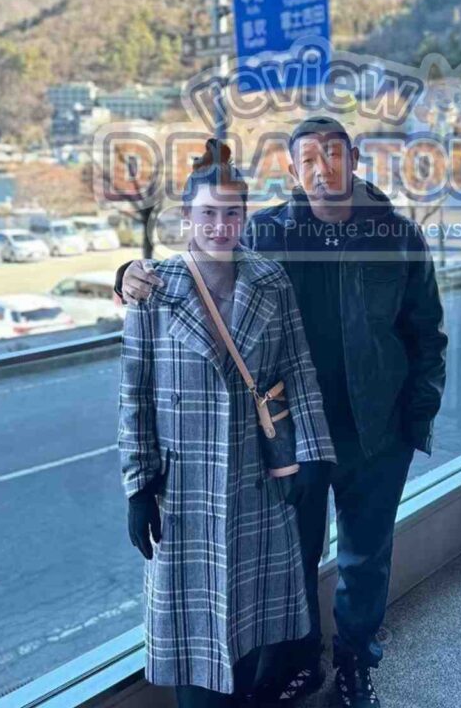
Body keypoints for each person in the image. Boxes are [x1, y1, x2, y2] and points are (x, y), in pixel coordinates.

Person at [116, 117, 448, 708]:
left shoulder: (397, 235)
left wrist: (414, 420)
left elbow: (427, 333)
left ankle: (355, 663)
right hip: (289, 441)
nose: (322, 170)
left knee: (366, 560)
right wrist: (127, 275)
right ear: (293, 172)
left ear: (354, 158)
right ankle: (297, 663)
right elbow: (202, 257)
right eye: (308, 161)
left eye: (333, 155)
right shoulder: (266, 233)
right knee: (291, 559)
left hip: (377, 435)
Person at [118, 137, 337, 708]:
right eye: (209, 213)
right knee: (191, 625)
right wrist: (138, 487)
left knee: (247, 617)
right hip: (182, 489)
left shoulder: (270, 281)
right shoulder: (153, 290)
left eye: (232, 213)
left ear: (245, 216)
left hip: (257, 479)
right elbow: (134, 396)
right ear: (186, 217)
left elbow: (299, 371)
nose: (221, 226)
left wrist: (313, 455)